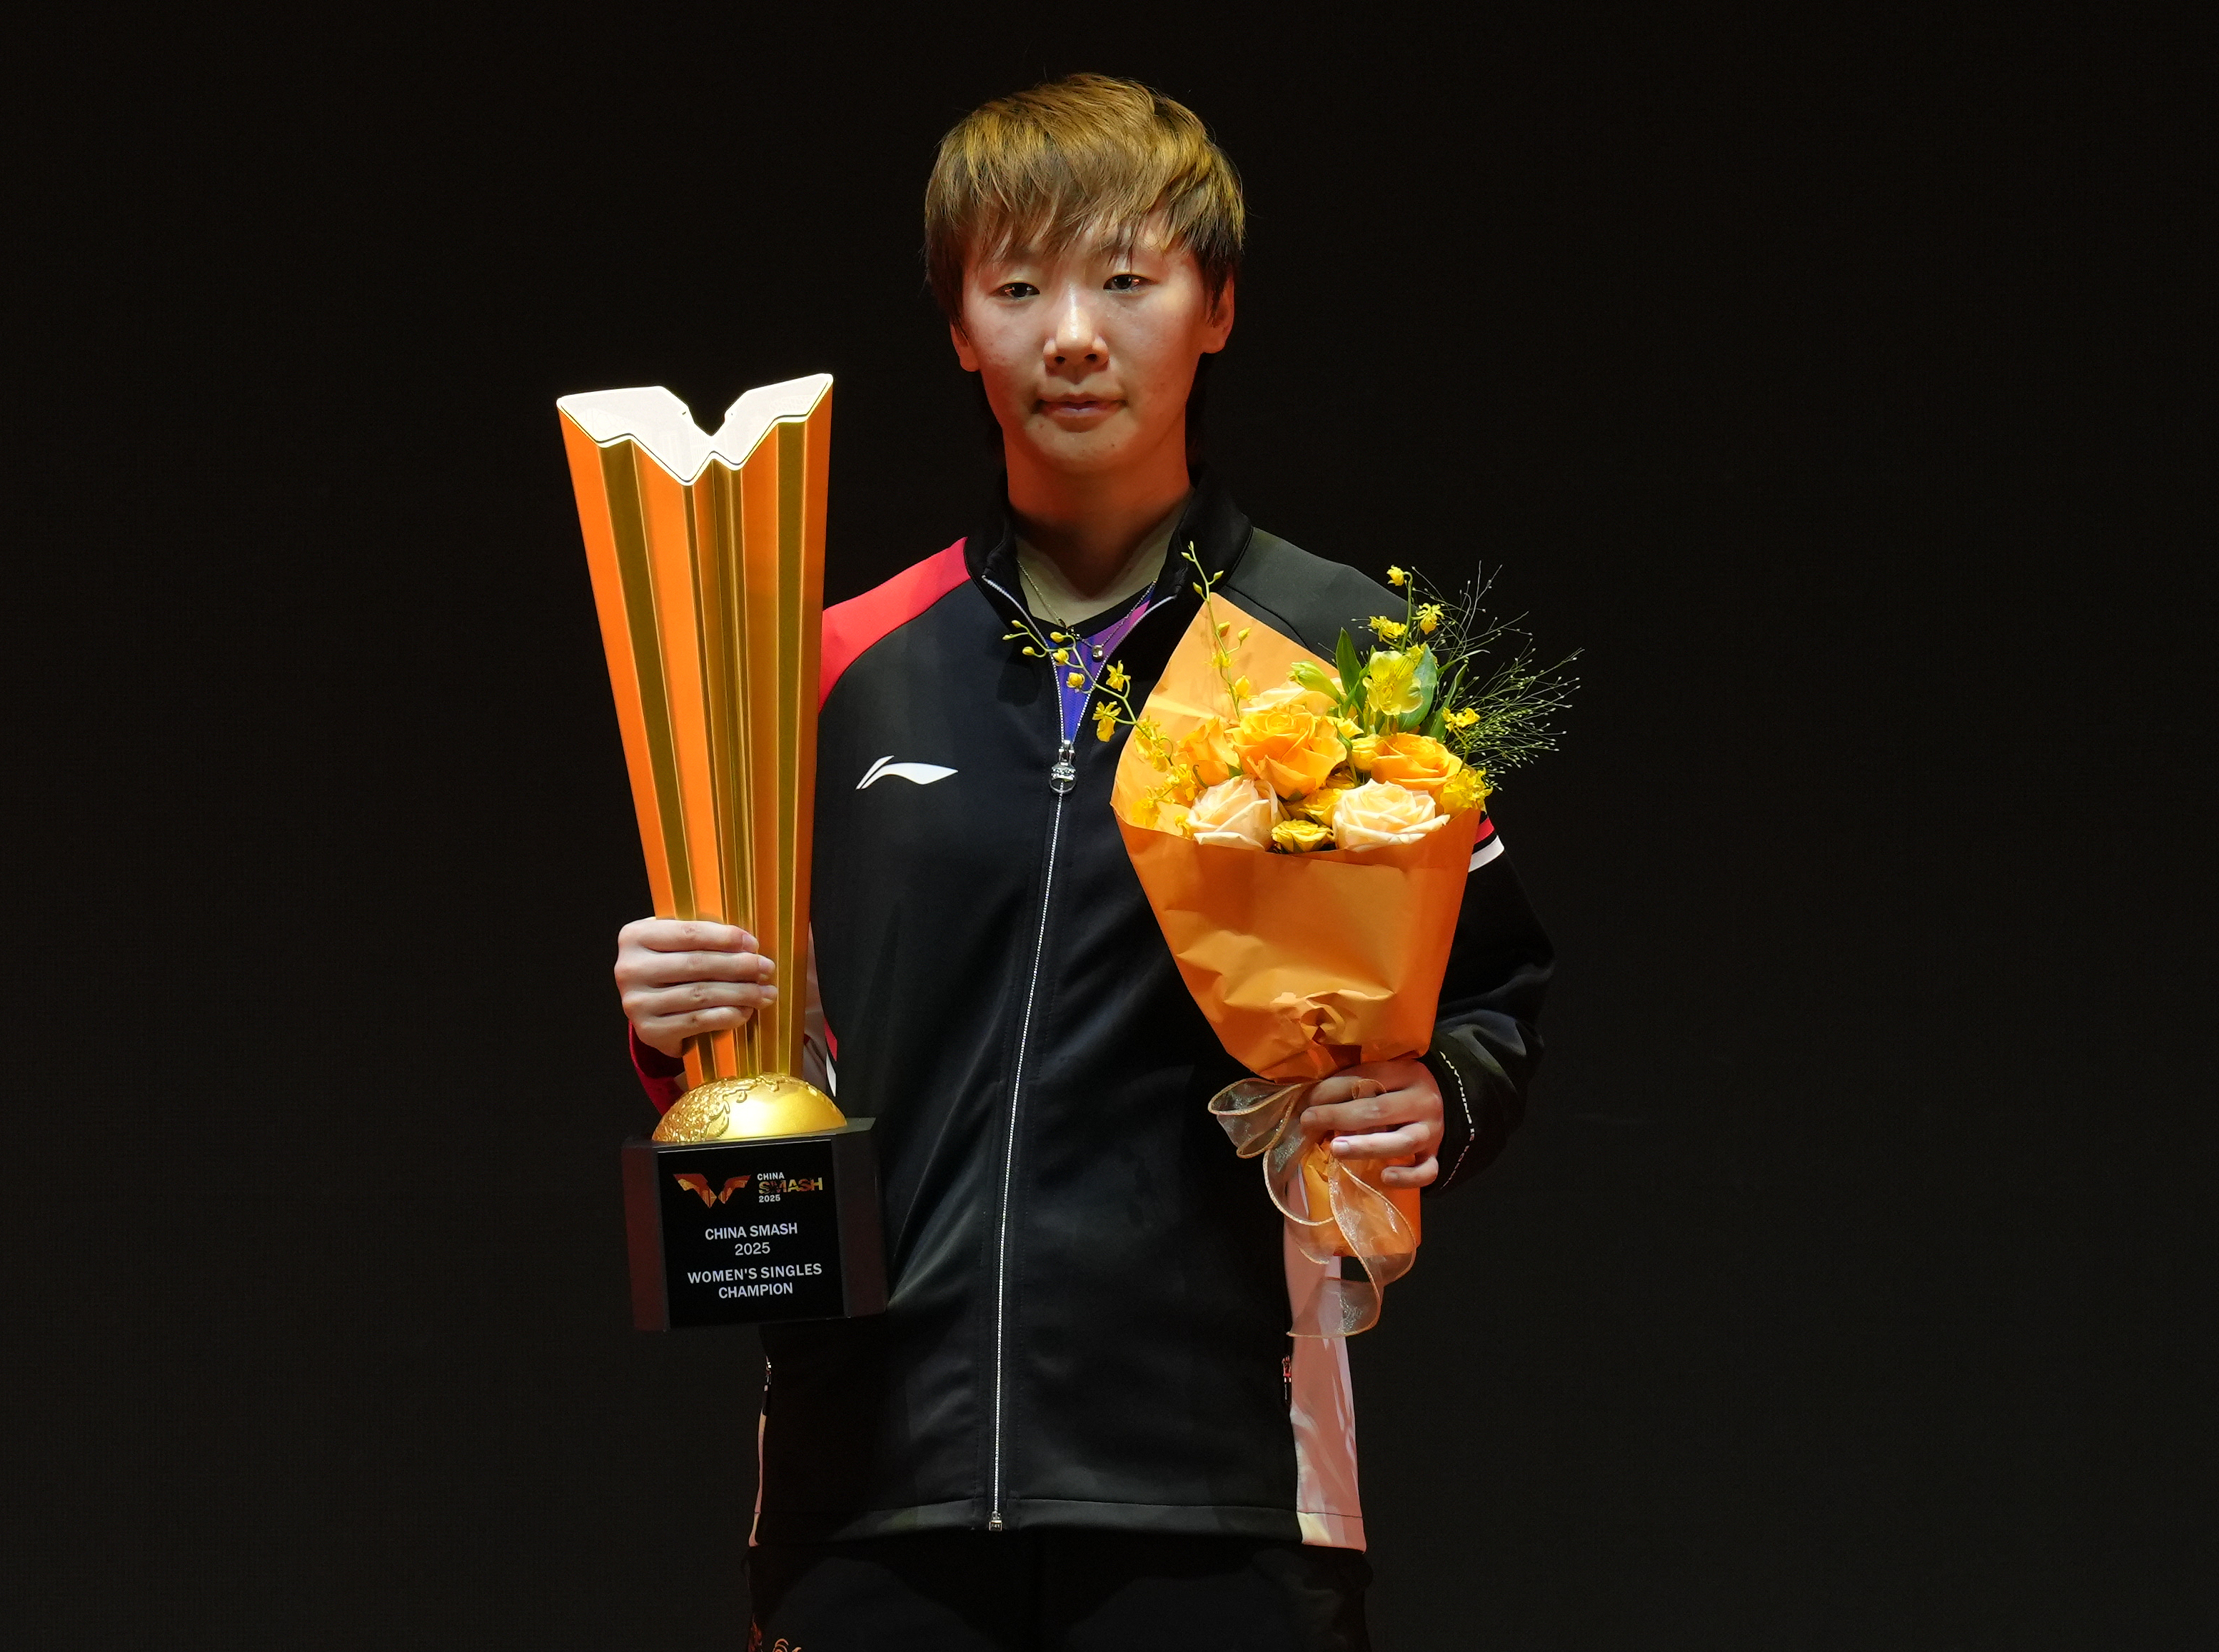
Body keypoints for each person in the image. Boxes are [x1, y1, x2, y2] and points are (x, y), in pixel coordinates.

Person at [612, 74, 1552, 1651]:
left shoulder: (1342, 650)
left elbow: (1493, 985)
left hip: (1221, 1484)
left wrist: (1441, 1093)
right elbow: (778, 1041)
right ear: (957, 326)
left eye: (1125, 279)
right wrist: (674, 1017)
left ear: (1216, 306)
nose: (1071, 332)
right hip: (874, 1487)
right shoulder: (833, 660)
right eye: (1017, 283)